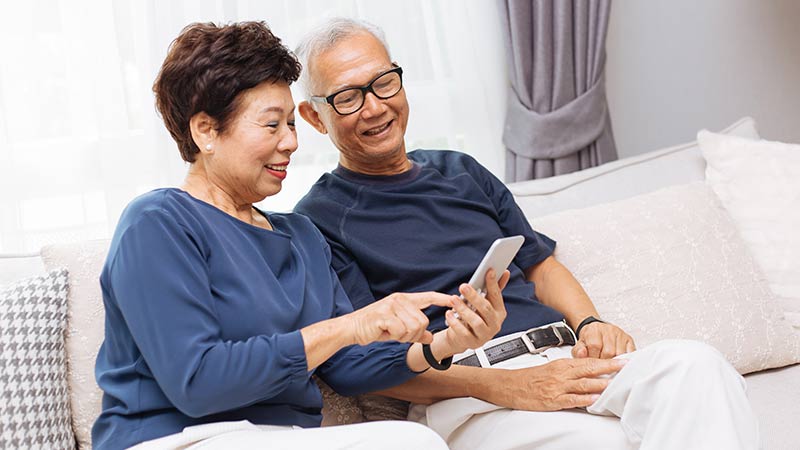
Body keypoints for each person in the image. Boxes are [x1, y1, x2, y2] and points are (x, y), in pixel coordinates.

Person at [293, 17, 760, 450]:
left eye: (384, 83)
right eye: (348, 97)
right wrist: (508, 386)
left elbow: (540, 263)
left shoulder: (462, 172)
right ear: (315, 117)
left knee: (697, 366)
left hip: (564, 357)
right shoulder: (318, 221)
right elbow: (361, 367)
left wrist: (590, 324)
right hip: (470, 393)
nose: (375, 107)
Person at [91, 21, 508, 450]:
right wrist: (351, 326)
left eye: (292, 123)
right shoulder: (158, 223)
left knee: (413, 439)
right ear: (206, 131)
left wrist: (443, 343)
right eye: (272, 126)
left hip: (285, 439)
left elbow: (349, 364)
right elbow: (198, 382)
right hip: (177, 438)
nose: (291, 142)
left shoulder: (301, 236)